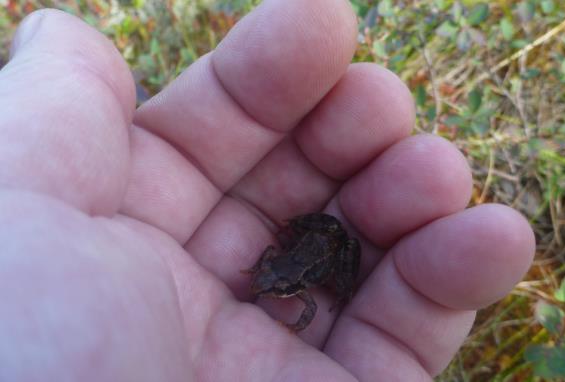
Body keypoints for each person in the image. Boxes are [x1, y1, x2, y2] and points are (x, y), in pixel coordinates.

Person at [0, 1, 535, 380]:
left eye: (273, 283)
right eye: (272, 281)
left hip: (325, 251)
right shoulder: (274, 269)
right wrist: (270, 269)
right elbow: (273, 266)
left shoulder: (299, 291)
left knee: (350, 250)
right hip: (307, 246)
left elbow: (305, 311)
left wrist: (296, 320)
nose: (270, 285)